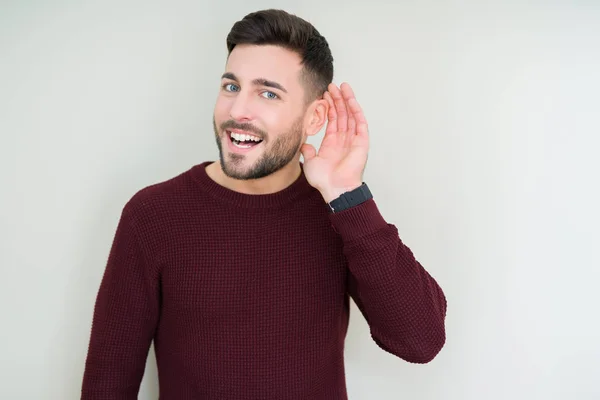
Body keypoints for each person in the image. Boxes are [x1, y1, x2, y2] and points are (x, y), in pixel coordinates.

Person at [80, 8, 447, 400]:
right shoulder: (153, 216)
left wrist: (348, 197)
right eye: (231, 86)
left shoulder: (338, 214)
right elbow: (108, 384)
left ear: (314, 117)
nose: (238, 111)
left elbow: (420, 341)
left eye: (268, 93)